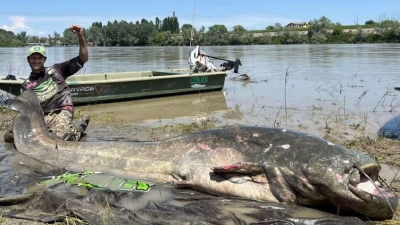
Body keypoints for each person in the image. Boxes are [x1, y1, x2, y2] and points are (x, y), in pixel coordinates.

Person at [4, 24, 90, 142]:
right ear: (28, 60)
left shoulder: (57, 70)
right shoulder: (26, 86)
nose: (36, 61)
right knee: (11, 136)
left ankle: (78, 128)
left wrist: (80, 36)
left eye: (40, 58)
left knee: (60, 138)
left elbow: (83, 58)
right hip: (42, 117)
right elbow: (27, 111)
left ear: (44, 59)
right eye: (33, 58)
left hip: (61, 112)